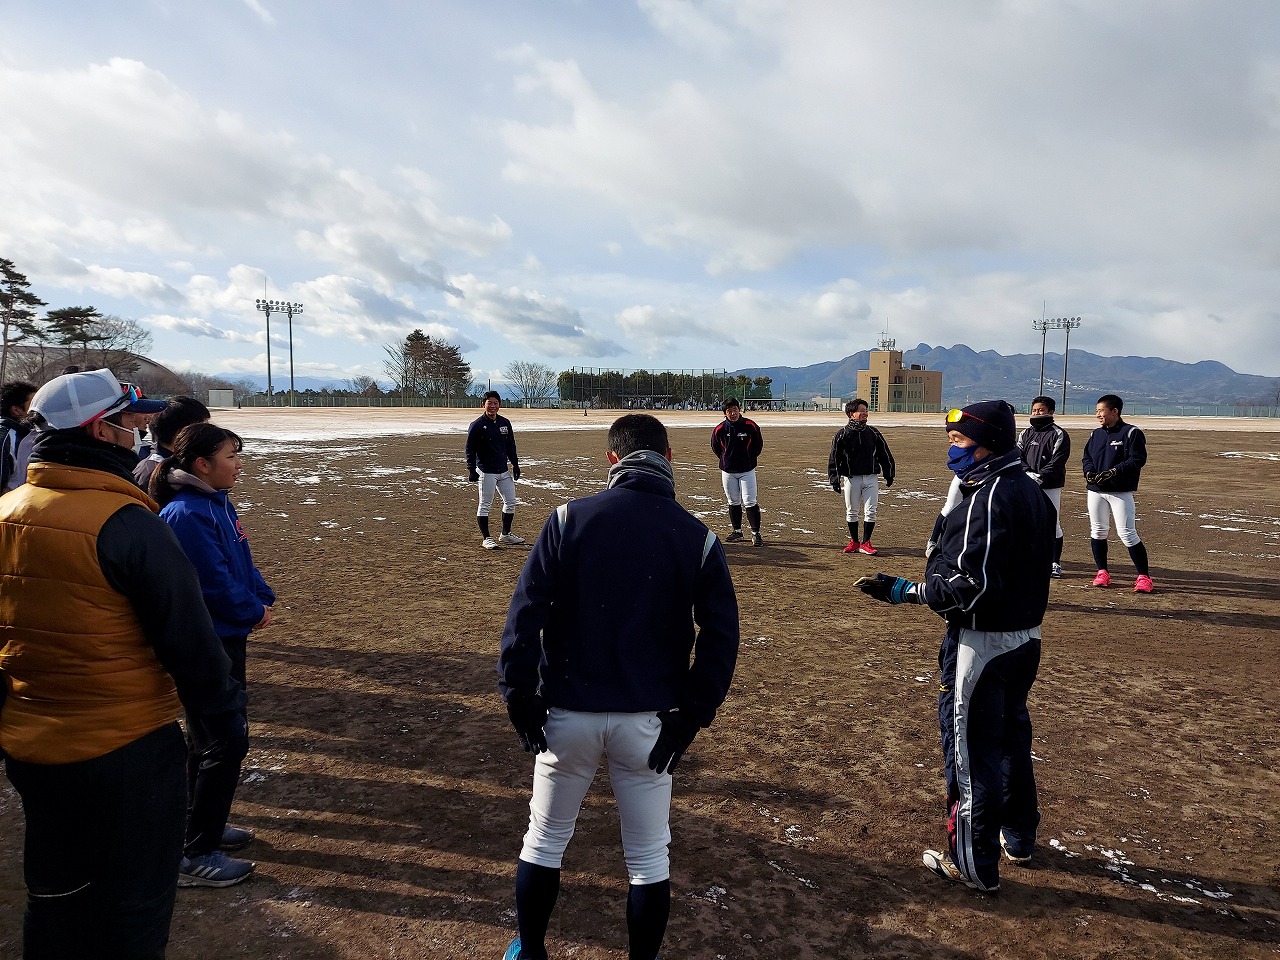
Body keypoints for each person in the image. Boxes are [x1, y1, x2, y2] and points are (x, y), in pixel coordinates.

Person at [0, 368, 245, 956]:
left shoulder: (7, 510)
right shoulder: (127, 522)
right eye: (130, 420)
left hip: (33, 743)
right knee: (134, 904)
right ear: (100, 430)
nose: (140, 431)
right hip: (124, 743)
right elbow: (188, 640)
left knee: (54, 895)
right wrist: (223, 717)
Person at [497, 413, 740, 960]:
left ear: (612, 460)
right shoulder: (697, 536)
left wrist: (519, 696)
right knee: (649, 858)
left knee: (544, 841)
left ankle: (531, 952)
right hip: (649, 722)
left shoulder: (568, 519)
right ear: (669, 458)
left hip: (568, 713)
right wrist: (691, 715)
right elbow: (722, 638)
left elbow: (525, 616)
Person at [859, 400, 1053, 893]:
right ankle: (1019, 836)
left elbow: (972, 588)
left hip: (982, 646)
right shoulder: (1029, 490)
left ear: (987, 443)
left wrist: (907, 591)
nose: (952, 449)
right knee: (1011, 741)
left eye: (959, 440)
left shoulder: (990, 496)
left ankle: (973, 863)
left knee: (970, 754)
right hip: (1024, 639)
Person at [152, 422, 275, 888]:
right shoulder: (187, 514)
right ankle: (195, 853)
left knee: (211, 738)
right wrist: (251, 610)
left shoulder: (217, 502)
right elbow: (211, 583)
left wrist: (261, 595)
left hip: (226, 636)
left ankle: (200, 825)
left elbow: (240, 561)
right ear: (202, 464)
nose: (238, 465)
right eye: (230, 457)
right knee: (225, 739)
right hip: (206, 642)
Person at [1082, 394, 1153, 593]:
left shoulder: (1131, 433)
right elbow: (1087, 457)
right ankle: (1102, 572)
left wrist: (1114, 471)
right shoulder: (1096, 434)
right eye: (1096, 411)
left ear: (1115, 411)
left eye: (1101, 411)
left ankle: (1144, 577)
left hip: (1119, 492)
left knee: (1128, 534)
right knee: (1098, 531)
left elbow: (1137, 459)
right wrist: (1089, 473)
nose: (1098, 415)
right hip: (1096, 491)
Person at [828, 398, 896, 555]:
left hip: (871, 478)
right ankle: (854, 542)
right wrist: (834, 479)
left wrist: (889, 473)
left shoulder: (873, 433)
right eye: (862, 411)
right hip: (852, 479)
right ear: (852, 414)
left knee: (871, 510)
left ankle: (866, 543)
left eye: (866, 410)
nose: (865, 413)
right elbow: (834, 459)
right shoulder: (842, 435)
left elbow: (884, 453)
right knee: (852, 510)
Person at [1017, 395, 1071, 578]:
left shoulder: (1059, 434)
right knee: (1026, 522)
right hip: (1026, 484)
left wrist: (1040, 477)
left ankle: (1054, 562)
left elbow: (1058, 460)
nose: (1037, 413)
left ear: (1051, 412)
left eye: (1041, 410)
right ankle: (1028, 559)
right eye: (1034, 410)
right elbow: (1018, 455)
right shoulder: (1025, 433)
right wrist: (1027, 473)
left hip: (1050, 485)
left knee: (1052, 524)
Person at [466, 390, 523, 550]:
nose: (492, 406)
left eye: (495, 403)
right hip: (486, 471)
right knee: (485, 504)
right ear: (483, 405)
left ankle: (506, 534)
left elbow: (510, 446)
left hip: (503, 470)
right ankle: (486, 538)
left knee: (510, 502)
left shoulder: (504, 423)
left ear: (499, 405)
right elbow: (470, 448)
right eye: (489, 403)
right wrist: (471, 469)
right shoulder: (477, 425)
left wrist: (515, 465)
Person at [710, 396, 765, 545]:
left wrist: (749, 458)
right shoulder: (720, 429)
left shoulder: (750, 426)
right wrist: (726, 459)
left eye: (735, 410)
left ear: (739, 410)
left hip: (747, 471)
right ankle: (737, 531)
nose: (733, 413)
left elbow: (758, 445)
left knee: (750, 501)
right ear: (725, 413)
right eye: (729, 411)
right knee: (733, 501)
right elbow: (716, 447)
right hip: (728, 471)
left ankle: (756, 533)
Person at [134, 395, 212, 491]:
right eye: (203, 428)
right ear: (181, 432)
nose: (210, 433)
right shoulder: (154, 473)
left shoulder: (184, 462)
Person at [0, 379, 37, 492]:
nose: (38, 409)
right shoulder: (5, 438)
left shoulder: (27, 433)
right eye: (33, 404)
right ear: (16, 410)